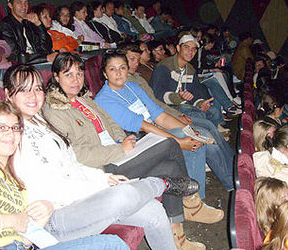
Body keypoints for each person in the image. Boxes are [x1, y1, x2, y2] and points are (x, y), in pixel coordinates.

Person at [4, 64, 191, 250]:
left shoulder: (41, 122)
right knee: (123, 196)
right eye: (24, 89)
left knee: (153, 210)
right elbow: (49, 186)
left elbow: (72, 163)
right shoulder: (9, 134)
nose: (33, 96)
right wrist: (97, 186)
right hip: (55, 215)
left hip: (79, 197)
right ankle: (162, 183)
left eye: (37, 89)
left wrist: (103, 179)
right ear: (8, 95)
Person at [43, 52, 206, 250]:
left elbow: (110, 123)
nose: (76, 80)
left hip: (120, 153)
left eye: (79, 73)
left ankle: (177, 234)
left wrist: (123, 140)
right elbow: (75, 154)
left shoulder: (84, 99)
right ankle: (191, 201)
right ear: (56, 77)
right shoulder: (53, 110)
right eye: (68, 75)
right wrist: (119, 149)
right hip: (102, 169)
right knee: (168, 144)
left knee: (171, 167)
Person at [0, 99, 149, 250]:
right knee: (111, 249)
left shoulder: (16, 183)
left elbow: (25, 242)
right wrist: (11, 220)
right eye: (1, 127)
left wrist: (43, 216)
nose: (10, 134)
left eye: (15, 128)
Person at [94, 51, 225, 222]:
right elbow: (143, 126)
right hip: (137, 140)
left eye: (122, 68)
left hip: (153, 131)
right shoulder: (104, 98)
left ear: (128, 70)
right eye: (112, 69)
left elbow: (159, 116)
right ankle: (191, 203)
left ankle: (195, 201)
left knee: (197, 138)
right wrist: (179, 141)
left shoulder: (133, 88)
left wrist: (187, 130)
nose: (118, 73)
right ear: (105, 73)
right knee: (185, 143)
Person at [122, 43, 236, 197]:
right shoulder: (124, 85)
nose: (136, 63)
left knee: (207, 127)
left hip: (164, 117)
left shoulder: (136, 79)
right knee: (203, 135)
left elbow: (155, 104)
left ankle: (234, 167)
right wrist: (176, 117)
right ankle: (230, 183)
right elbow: (153, 107)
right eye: (132, 59)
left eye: (136, 59)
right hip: (154, 127)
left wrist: (178, 117)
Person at [149, 34, 223, 127]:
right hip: (168, 107)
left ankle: (210, 135)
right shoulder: (164, 66)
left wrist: (200, 104)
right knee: (202, 119)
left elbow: (196, 92)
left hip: (185, 105)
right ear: (178, 48)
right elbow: (158, 94)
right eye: (186, 47)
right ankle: (206, 136)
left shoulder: (190, 69)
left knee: (214, 111)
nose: (190, 51)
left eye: (194, 49)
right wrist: (179, 97)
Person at [0, 0, 55, 64]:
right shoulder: (5, 26)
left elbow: (47, 47)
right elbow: (15, 56)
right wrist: (45, 58)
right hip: (21, 68)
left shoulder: (28, 23)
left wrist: (38, 24)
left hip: (39, 62)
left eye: (26, 2)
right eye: (19, 2)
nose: (24, 6)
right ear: (10, 5)